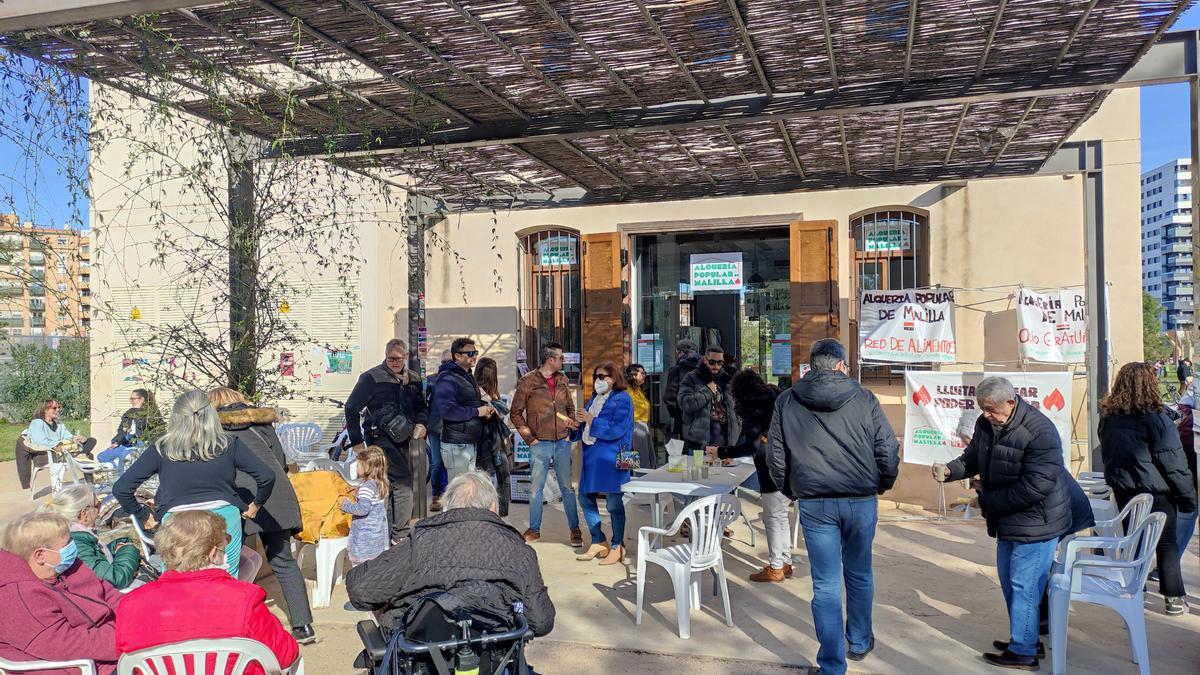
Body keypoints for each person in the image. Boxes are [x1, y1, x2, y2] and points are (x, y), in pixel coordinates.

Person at [766, 339, 899, 675]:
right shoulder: (864, 397)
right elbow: (887, 448)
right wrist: (881, 483)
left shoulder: (787, 400)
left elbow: (776, 458)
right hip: (860, 500)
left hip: (815, 502)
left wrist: (791, 490)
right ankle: (858, 640)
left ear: (811, 366)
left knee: (825, 584)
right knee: (859, 573)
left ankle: (831, 665)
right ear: (842, 364)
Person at [932, 376, 1073, 670]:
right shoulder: (987, 424)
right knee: (1010, 582)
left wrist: (985, 501)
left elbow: (1035, 488)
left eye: (991, 409)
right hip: (1009, 519)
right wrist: (951, 470)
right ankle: (1026, 638)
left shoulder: (1039, 431)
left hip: (1038, 522)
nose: (986, 414)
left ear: (1011, 402)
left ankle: (1023, 652)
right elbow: (973, 458)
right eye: (982, 408)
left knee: (1024, 585)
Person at [346, 471, 555, 636]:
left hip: (422, 658)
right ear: (493, 507)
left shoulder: (420, 541)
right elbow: (542, 621)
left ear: (447, 506)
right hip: (493, 660)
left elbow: (360, 590)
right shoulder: (520, 551)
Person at [114, 389, 276, 578]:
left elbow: (121, 488)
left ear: (176, 417)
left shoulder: (162, 447)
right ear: (210, 416)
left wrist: (144, 516)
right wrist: (256, 504)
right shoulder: (228, 444)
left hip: (178, 522)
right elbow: (267, 476)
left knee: (177, 581)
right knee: (227, 580)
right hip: (224, 517)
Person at [116, 510, 299, 675]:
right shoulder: (245, 599)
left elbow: (124, 661)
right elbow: (285, 654)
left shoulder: (130, 604)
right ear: (213, 553)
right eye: (224, 544)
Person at [210, 387, 315, 645]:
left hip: (239, 497)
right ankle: (303, 626)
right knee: (283, 562)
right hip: (275, 495)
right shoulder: (261, 423)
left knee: (236, 562)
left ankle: (239, 622)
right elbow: (279, 459)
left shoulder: (212, 429)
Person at [1096, 362, 1197, 615]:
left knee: (1134, 540)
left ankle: (1136, 589)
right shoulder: (1157, 419)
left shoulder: (1108, 417)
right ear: (1151, 384)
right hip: (1157, 492)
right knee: (1166, 544)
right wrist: (1188, 497)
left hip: (1124, 490)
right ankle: (1173, 598)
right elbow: (1173, 463)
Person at [0, 511, 121, 674]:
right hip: (81, 665)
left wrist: (139, 616)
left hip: (109, 642)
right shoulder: (17, 597)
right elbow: (66, 644)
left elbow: (108, 592)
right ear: (40, 555)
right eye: (67, 544)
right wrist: (128, 637)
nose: (73, 547)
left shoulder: (64, 565)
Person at [346, 338, 429, 541]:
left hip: (405, 438)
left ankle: (390, 533)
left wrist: (422, 423)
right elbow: (351, 407)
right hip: (379, 438)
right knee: (403, 483)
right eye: (390, 358)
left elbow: (421, 407)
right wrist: (357, 443)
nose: (394, 362)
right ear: (385, 355)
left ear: (406, 357)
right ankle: (399, 534)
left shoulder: (415, 379)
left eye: (398, 359)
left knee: (391, 486)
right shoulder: (371, 377)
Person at [709, 369, 788, 582]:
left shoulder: (753, 406)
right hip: (786, 462)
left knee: (772, 518)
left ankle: (776, 566)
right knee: (781, 515)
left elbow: (750, 445)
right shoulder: (775, 396)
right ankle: (785, 561)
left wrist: (722, 452)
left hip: (768, 465)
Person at [509, 342, 581, 545]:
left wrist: (570, 428)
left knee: (567, 487)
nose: (563, 360)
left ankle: (574, 529)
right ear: (550, 359)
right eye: (560, 357)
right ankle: (534, 529)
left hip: (562, 442)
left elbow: (570, 407)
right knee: (536, 488)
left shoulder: (563, 379)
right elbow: (515, 413)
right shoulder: (528, 381)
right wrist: (529, 438)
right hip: (540, 443)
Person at [573, 362, 634, 565]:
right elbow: (587, 426)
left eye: (604, 376)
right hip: (593, 457)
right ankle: (598, 539)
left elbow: (617, 429)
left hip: (615, 456)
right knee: (584, 498)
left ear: (614, 378)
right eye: (597, 376)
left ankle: (618, 545)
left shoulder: (623, 399)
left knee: (614, 503)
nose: (600, 380)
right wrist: (576, 424)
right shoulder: (594, 399)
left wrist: (591, 420)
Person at [40, 483, 141, 590]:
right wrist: (129, 548)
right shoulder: (75, 544)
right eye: (98, 506)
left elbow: (95, 557)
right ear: (84, 514)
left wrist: (118, 544)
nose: (99, 511)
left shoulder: (71, 536)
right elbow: (115, 579)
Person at [435, 337, 493, 484]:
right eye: (470, 353)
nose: (474, 356)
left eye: (476, 352)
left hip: (469, 441)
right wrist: (477, 411)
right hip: (457, 443)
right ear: (457, 356)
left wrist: (485, 409)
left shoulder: (466, 375)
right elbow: (447, 410)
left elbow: (469, 403)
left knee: (467, 490)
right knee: (459, 490)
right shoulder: (447, 377)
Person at [475, 357, 513, 517]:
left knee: (487, 477)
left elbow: (502, 411)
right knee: (501, 476)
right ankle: (500, 512)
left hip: (487, 440)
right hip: (489, 440)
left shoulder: (483, 391)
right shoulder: (479, 392)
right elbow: (500, 412)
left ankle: (491, 511)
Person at [339, 445, 390, 566]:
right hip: (377, 533)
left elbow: (362, 509)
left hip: (365, 536)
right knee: (375, 564)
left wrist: (345, 505)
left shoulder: (367, 487)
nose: (356, 468)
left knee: (360, 567)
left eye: (358, 465)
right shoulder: (380, 483)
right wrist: (358, 492)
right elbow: (371, 501)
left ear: (367, 467)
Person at [678, 345, 729, 453]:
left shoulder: (726, 379)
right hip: (699, 443)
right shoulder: (691, 378)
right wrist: (707, 391)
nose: (716, 366)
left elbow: (736, 409)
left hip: (723, 442)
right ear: (705, 360)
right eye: (712, 362)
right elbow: (685, 404)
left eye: (720, 363)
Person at [425, 350, 453, 512]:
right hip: (435, 426)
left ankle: (448, 494)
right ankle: (437, 494)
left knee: (451, 463)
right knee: (437, 462)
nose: (446, 365)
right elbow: (424, 402)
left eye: (450, 362)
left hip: (453, 427)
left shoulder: (459, 379)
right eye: (444, 362)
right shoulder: (431, 380)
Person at [25, 398, 96, 458]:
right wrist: (59, 444)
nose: (58, 410)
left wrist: (79, 439)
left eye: (59, 407)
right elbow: (40, 442)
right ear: (45, 410)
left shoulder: (59, 424)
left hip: (64, 448)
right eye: (54, 408)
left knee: (91, 440)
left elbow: (68, 437)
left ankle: (79, 454)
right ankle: (80, 455)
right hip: (49, 452)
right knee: (88, 456)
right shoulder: (38, 422)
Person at [664, 339, 700, 444]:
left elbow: (670, 397)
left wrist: (676, 413)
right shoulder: (706, 368)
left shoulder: (677, 370)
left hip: (683, 418)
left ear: (680, 353)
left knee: (684, 453)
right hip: (705, 419)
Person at [626, 363, 655, 469]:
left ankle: (640, 480)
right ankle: (636, 481)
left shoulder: (638, 390)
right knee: (639, 460)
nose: (644, 375)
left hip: (642, 426)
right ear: (633, 375)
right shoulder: (627, 390)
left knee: (644, 458)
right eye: (641, 373)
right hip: (635, 426)